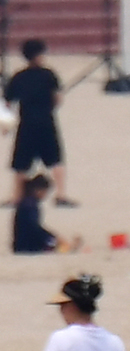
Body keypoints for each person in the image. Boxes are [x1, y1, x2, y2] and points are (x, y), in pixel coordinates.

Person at [5, 39, 71, 206]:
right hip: (46, 122)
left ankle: (17, 196)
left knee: (21, 164)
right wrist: (50, 108)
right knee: (55, 160)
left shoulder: (18, 77)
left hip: (26, 123)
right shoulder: (49, 75)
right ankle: (61, 194)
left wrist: (6, 123)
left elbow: (8, 102)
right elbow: (57, 98)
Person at [11, 172, 72, 255]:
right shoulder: (30, 205)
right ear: (38, 190)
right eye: (45, 192)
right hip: (27, 245)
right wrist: (53, 237)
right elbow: (34, 228)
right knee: (56, 245)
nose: (45, 195)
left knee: (54, 243)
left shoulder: (27, 202)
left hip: (20, 244)